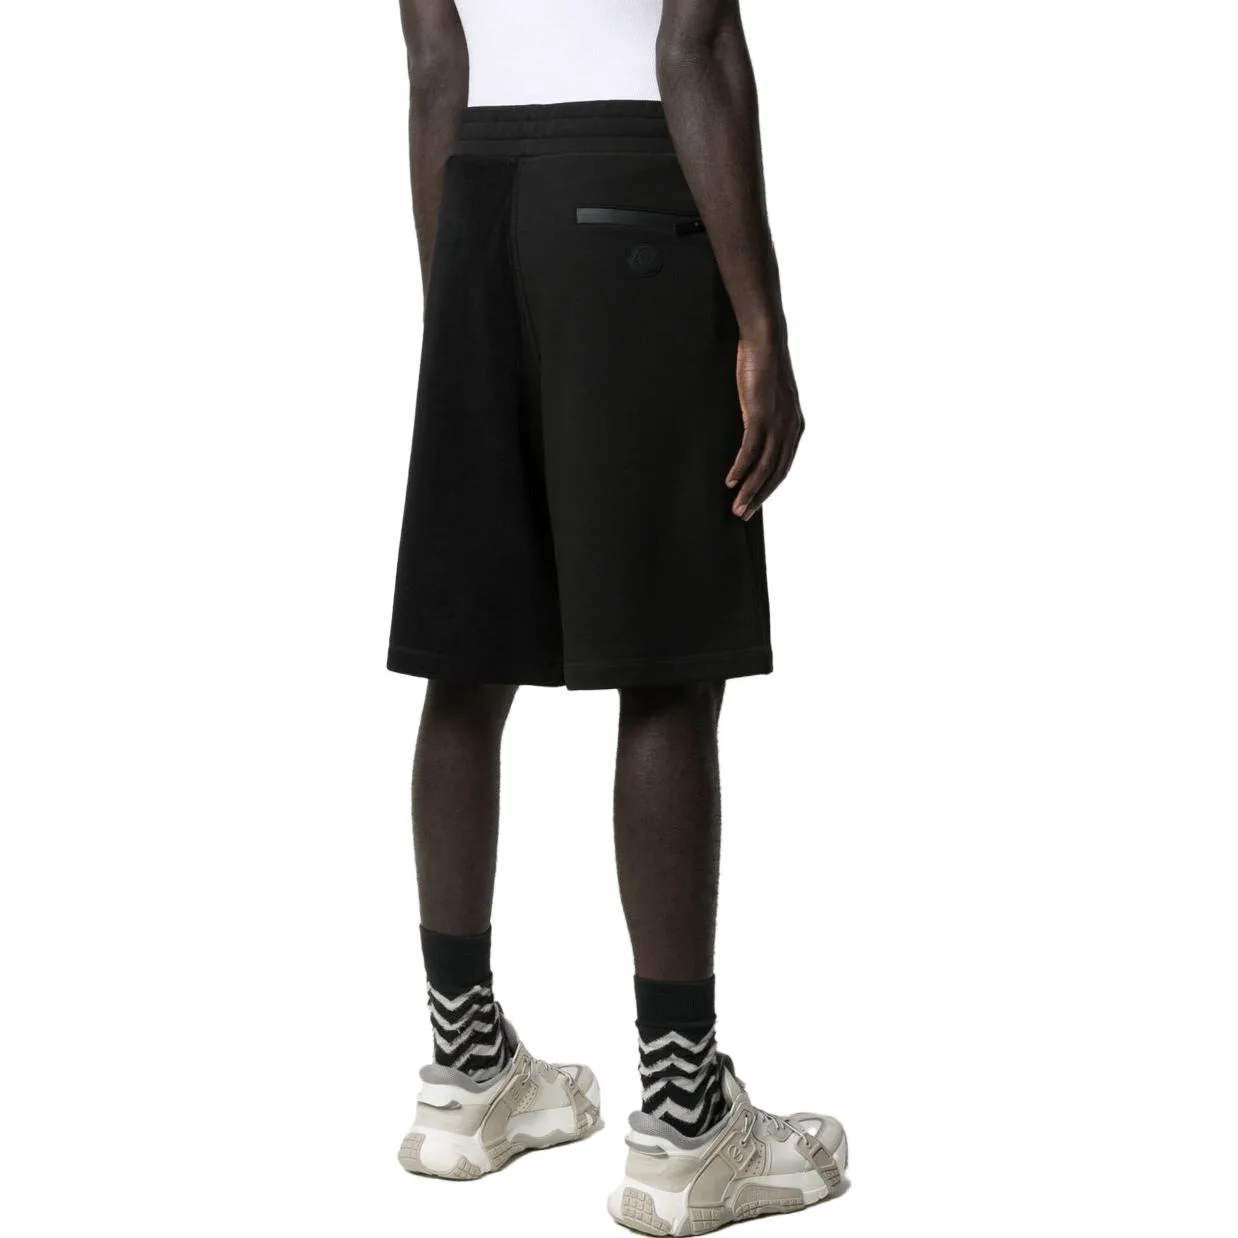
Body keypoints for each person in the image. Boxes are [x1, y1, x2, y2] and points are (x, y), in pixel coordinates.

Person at [387, 0, 848, 1229]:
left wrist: (460, 300)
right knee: (665, 666)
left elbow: (434, 60)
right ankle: (686, 1119)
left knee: (466, 662)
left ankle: (465, 1068)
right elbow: (693, 46)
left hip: (474, 197)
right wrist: (760, 322)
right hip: (631, 195)